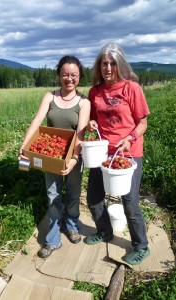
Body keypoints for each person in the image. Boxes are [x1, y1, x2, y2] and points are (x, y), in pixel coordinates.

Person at [18, 55, 91, 258]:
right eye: (65, 74)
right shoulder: (50, 97)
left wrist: (74, 159)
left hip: (74, 153)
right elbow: (36, 122)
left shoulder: (84, 102)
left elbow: (80, 134)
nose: (69, 79)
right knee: (53, 196)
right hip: (52, 155)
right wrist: (24, 145)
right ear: (59, 74)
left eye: (74, 75)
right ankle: (52, 239)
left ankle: (71, 225)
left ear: (79, 76)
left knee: (74, 194)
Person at [85, 43, 150, 266]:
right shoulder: (95, 92)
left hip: (129, 153)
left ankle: (141, 246)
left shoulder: (131, 88)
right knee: (94, 198)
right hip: (102, 153)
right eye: (104, 63)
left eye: (113, 63)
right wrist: (91, 123)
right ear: (99, 66)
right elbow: (91, 119)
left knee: (130, 202)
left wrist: (130, 138)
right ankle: (105, 231)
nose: (109, 68)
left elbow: (143, 123)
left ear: (120, 64)